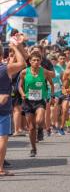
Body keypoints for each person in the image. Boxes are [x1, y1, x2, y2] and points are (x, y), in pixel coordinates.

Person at [18, 52, 55, 157]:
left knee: (39, 120)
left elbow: (52, 85)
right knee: (31, 127)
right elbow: (20, 86)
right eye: (33, 60)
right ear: (30, 61)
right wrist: (22, 94)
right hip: (28, 101)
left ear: (40, 61)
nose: (36, 62)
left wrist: (52, 96)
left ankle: (40, 129)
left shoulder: (44, 72)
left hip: (40, 101)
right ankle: (33, 148)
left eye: (38, 60)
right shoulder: (24, 72)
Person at [0, 38, 26, 176]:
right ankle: (0, 168)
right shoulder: (6, 69)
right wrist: (15, 47)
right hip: (3, 108)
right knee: (2, 138)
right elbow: (22, 63)